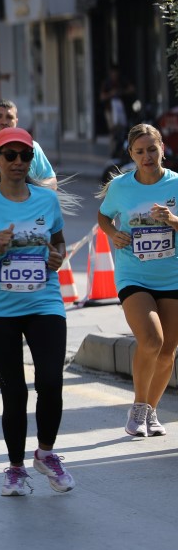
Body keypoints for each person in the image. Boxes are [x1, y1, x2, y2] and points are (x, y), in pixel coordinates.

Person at [0, 127, 75, 496]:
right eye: (10, 155)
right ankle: (15, 467)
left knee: (51, 382)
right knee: (14, 393)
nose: (18, 162)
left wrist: (57, 257)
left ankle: (46, 453)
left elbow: (59, 243)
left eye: (25, 156)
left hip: (44, 302)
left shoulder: (46, 200)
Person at [97, 123, 178, 438]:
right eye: (140, 151)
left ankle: (151, 411)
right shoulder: (120, 187)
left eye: (152, 149)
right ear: (131, 154)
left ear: (162, 149)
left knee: (168, 350)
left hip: (172, 275)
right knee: (152, 340)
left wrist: (172, 219)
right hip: (134, 274)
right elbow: (104, 215)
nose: (147, 157)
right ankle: (138, 408)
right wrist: (112, 233)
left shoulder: (175, 184)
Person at [99, 66, 131, 159]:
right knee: (113, 131)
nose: (115, 75)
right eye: (113, 73)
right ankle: (113, 151)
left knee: (122, 130)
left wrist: (122, 92)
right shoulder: (107, 83)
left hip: (121, 110)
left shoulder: (121, 81)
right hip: (110, 110)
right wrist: (111, 94)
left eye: (116, 74)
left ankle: (121, 150)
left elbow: (131, 89)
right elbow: (102, 97)